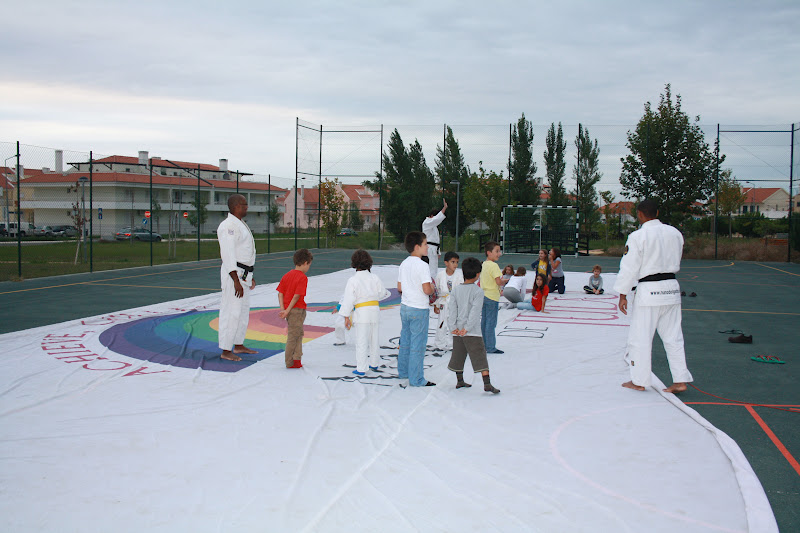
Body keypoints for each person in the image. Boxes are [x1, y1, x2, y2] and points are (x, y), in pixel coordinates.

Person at [614, 199, 693, 394]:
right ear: (657, 213)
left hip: (649, 291)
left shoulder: (638, 236)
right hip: (672, 289)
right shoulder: (675, 233)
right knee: (674, 337)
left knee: (640, 338)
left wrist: (623, 294)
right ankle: (680, 380)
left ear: (639, 215)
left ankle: (639, 380)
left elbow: (629, 267)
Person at [447, 257, 500, 394]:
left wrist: (453, 327)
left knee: (458, 354)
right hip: (472, 331)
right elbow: (475, 312)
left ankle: (459, 381)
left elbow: (452, 310)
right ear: (478, 274)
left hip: (458, 330)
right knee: (480, 356)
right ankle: (487, 384)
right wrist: (467, 328)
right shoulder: (478, 291)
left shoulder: (456, 290)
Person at [217, 194, 258, 362]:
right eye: (244, 204)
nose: (247, 207)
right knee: (231, 312)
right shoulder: (228, 226)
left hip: (244, 274)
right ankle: (226, 349)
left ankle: (238, 344)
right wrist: (235, 280)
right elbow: (228, 254)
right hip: (233, 275)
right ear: (235, 206)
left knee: (242, 312)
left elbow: (245, 253)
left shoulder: (240, 224)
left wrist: (250, 276)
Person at [338, 249, 390, 375]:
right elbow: (383, 293)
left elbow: (348, 299)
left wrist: (346, 316)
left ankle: (361, 368)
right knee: (374, 339)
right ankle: (374, 363)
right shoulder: (374, 277)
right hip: (374, 311)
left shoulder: (353, 280)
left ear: (354, 263)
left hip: (362, 312)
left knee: (362, 341)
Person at [397, 231, 436, 387]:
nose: (427, 247)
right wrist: (433, 288)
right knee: (417, 345)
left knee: (405, 342)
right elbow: (427, 290)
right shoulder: (422, 265)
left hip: (405, 307)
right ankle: (417, 379)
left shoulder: (404, 263)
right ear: (417, 246)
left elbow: (399, 287)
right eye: (425, 244)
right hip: (419, 308)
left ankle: (403, 372)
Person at [277, 248, 313, 369]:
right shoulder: (302, 277)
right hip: (297, 310)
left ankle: (297, 358)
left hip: (290, 310)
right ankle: (290, 361)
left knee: (298, 333)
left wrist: (283, 309)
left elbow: (280, 293)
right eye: (309, 265)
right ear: (305, 263)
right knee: (293, 336)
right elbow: (297, 296)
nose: (308, 268)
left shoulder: (286, 275)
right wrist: (287, 310)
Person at [433, 251, 464, 351]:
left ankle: (453, 344)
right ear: (446, 263)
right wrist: (435, 305)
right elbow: (436, 291)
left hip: (454, 303)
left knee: (453, 324)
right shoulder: (440, 275)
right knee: (441, 324)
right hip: (443, 302)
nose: (455, 264)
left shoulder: (459, 275)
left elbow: (461, 290)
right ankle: (439, 344)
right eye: (453, 262)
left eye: (457, 262)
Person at [480, 241, 508, 354]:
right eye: (497, 251)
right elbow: (498, 282)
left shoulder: (484, 264)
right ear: (489, 252)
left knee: (484, 321)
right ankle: (490, 347)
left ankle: (483, 344)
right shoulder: (494, 265)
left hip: (483, 295)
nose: (499, 254)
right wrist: (505, 281)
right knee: (491, 323)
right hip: (492, 297)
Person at [422, 199, 448, 278]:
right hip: (429, 249)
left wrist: (438, 252)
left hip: (434, 249)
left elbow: (436, 241)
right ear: (431, 216)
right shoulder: (427, 223)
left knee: (434, 268)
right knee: (429, 268)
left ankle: (432, 281)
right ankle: (429, 281)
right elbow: (436, 219)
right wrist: (444, 208)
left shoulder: (434, 227)